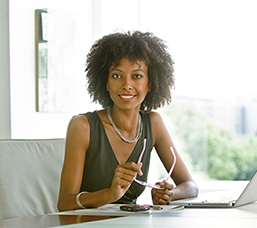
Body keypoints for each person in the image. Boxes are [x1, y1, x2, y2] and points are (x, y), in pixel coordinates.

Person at [57, 31, 198, 211]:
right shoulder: (82, 126)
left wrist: (169, 194)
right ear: (105, 82)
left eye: (137, 76)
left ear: (151, 82)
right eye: (117, 75)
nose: (126, 84)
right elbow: (64, 203)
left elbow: (190, 186)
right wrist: (109, 195)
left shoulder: (153, 123)